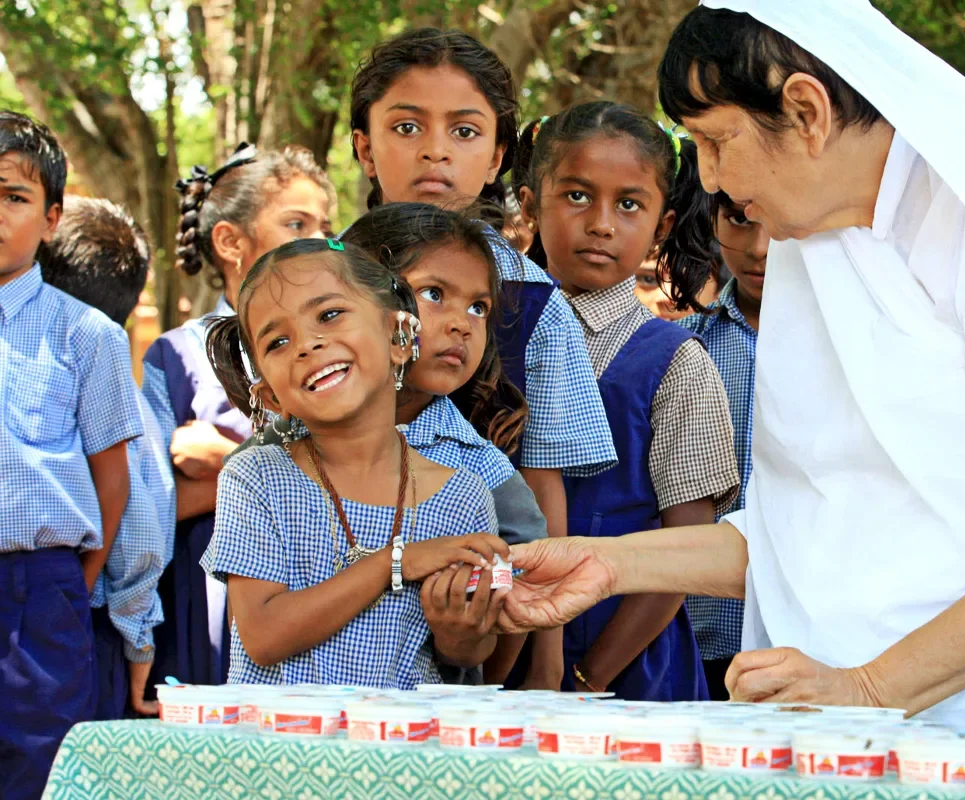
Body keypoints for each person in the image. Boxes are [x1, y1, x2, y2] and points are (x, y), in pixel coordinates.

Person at [497, 0, 965, 734]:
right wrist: (608, 565)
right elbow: (802, 536)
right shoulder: (811, 242)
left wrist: (869, 687)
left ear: (806, 111)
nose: (706, 178)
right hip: (840, 726)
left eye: (716, 140)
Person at [349, 28, 616, 690]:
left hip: (472, 620)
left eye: (464, 133)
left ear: (498, 156)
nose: (435, 149)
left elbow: (543, 481)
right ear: (363, 146)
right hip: (322, 593)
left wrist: (547, 659)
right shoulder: (314, 281)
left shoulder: (536, 304)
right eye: (407, 126)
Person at [202, 238, 510, 686]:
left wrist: (458, 629)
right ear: (272, 396)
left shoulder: (463, 497)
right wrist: (397, 563)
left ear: (399, 338)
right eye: (279, 342)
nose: (307, 344)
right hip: (271, 751)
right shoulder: (256, 478)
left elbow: (469, 653)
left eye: (328, 315)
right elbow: (262, 637)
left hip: (396, 751)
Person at [512, 103, 739, 701]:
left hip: (628, 672)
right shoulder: (484, 339)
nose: (603, 223)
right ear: (531, 206)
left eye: (629, 204)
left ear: (661, 227)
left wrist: (587, 680)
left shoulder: (678, 365)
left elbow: (683, 555)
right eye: (578, 196)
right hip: (494, 658)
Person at [141, 144, 334, 689]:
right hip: (207, 593)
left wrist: (226, 463)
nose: (318, 240)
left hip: (317, 588)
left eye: (325, 225)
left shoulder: (341, 347)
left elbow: (350, 477)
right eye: (297, 222)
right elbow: (153, 504)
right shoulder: (174, 356)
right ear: (231, 242)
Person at [0, 112, 143, 800]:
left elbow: (112, 481)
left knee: (43, 767)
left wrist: (68, 581)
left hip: (40, 592)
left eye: (14, 196)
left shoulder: (86, 334)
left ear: (51, 218)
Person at [38, 197, 175, 720]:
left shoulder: (74, 371)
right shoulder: (124, 388)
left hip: (86, 620)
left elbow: (136, 525)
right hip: (94, 616)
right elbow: (149, 518)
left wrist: (137, 639)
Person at [678, 189, 767, 700]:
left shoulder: (856, 352)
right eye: (738, 221)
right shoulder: (684, 347)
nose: (759, 248)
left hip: (817, 644)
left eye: (778, 225)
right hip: (701, 636)